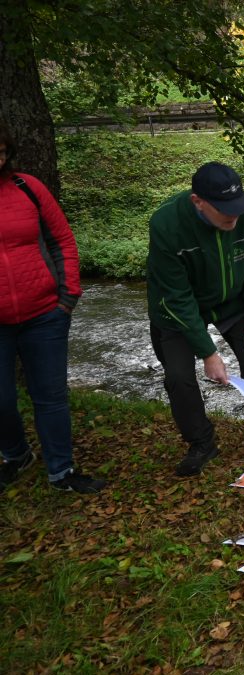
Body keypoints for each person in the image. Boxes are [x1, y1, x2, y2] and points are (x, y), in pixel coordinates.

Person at [147, 162, 244, 476]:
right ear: (197, 201)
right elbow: (176, 296)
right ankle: (201, 442)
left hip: (232, 302)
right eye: (224, 209)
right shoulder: (166, 224)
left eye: (237, 206)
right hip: (177, 310)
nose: (234, 216)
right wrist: (208, 352)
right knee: (178, 376)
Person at [0, 122, 107, 494]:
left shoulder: (27, 188)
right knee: (2, 400)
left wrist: (67, 297)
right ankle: (16, 454)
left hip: (44, 314)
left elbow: (62, 238)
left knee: (50, 397)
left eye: (0, 152)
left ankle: (62, 472)